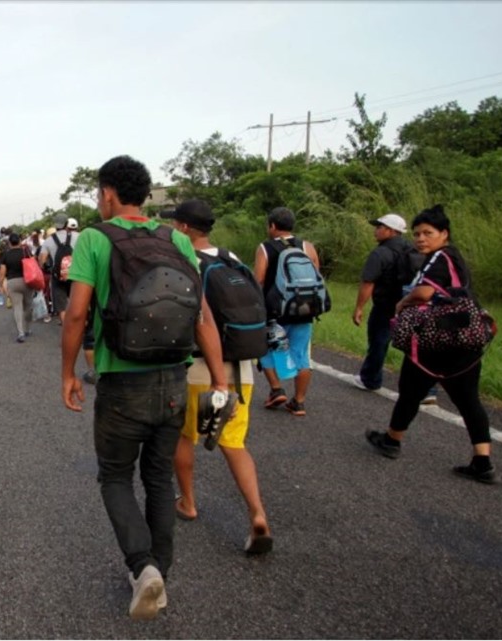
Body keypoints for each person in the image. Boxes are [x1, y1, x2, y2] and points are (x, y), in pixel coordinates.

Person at [61, 155, 228, 620]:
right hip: (174, 377)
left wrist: (68, 372)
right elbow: (201, 315)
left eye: (99, 194)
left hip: (121, 382)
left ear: (109, 194)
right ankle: (161, 573)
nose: (100, 202)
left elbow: (76, 313)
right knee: (158, 477)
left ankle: (143, 567)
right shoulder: (176, 238)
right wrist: (218, 378)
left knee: (115, 476)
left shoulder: (95, 238)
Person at [165, 198, 272, 555]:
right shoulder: (232, 258)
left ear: (183, 228)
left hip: (199, 369)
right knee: (233, 443)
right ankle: (257, 514)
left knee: (185, 436)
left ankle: (189, 503)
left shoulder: (184, 262)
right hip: (239, 370)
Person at [366, 205, 497, 484]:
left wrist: (403, 302)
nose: (421, 239)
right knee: (468, 399)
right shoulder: (454, 257)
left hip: (437, 339)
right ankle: (482, 460)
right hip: (466, 338)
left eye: (428, 233)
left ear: (444, 234)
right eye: (417, 234)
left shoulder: (439, 258)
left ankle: (392, 440)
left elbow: (425, 292)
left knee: (410, 391)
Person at [253, 206, 323, 417]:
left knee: (266, 349)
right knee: (302, 354)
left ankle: (276, 389)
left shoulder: (265, 248)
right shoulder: (307, 246)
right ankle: (299, 402)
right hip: (304, 310)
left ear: (272, 226)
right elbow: (317, 275)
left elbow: (259, 280)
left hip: (275, 311)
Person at [352, 213, 412, 391]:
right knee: (415, 345)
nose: (375, 231)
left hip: (386, 305)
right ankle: (426, 389)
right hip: (411, 304)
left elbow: (368, 282)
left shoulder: (380, 253)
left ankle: (371, 378)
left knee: (379, 341)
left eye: (379, 227)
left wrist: (359, 308)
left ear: (391, 231)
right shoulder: (412, 249)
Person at [40, 217, 80, 325]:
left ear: (55, 225)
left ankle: (68, 330)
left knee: (61, 307)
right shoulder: (78, 236)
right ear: (67, 224)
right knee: (78, 303)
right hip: (77, 274)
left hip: (57, 277)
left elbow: (42, 262)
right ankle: (82, 330)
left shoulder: (48, 241)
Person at [0, 233, 35, 342]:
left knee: (17, 307)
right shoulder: (25, 252)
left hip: (13, 282)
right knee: (28, 306)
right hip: (27, 281)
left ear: (9, 243)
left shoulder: (6, 254)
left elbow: (2, 271)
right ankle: (28, 329)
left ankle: (20, 333)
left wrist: (0, 285)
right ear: (19, 241)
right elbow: (33, 265)